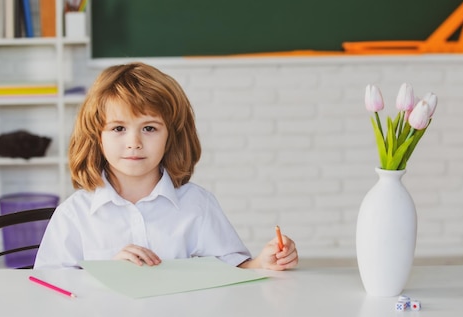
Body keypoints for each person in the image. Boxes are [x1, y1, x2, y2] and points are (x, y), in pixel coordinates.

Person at [34, 62, 298, 270]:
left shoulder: (197, 204)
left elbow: (233, 269)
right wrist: (108, 275)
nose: (134, 142)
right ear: (97, 137)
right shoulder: (74, 214)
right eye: (118, 128)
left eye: (149, 128)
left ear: (171, 136)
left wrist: (263, 263)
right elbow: (50, 287)